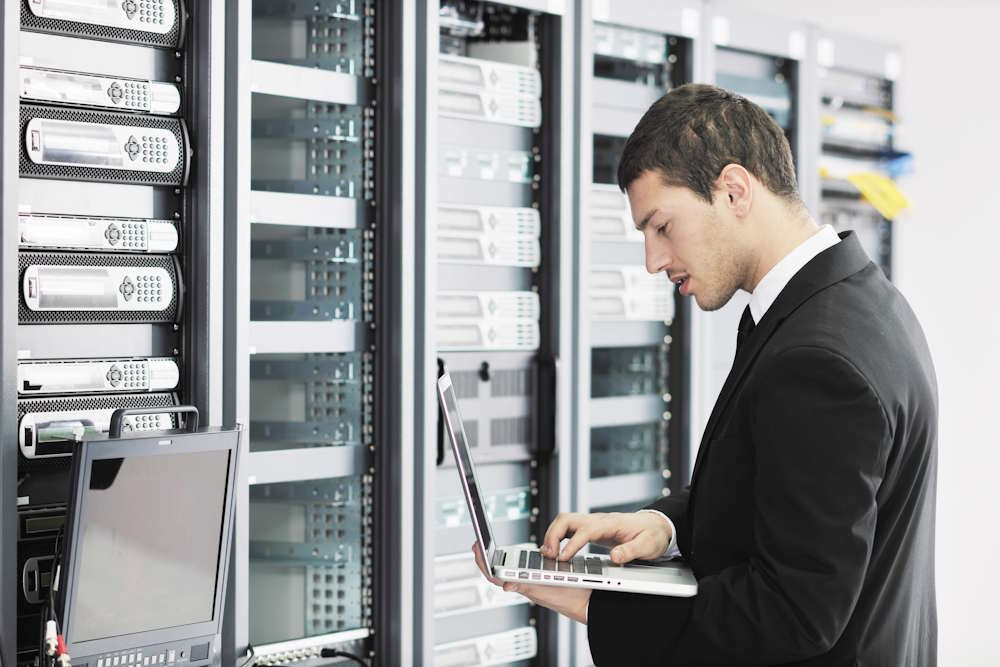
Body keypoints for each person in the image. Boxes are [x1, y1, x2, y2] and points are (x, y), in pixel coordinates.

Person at [473, 83, 938, 665]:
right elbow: (786, 496)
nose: (652, 260)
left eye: (661, 226)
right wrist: (662, 526)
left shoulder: (816, 361)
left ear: (734, 190)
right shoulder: (859, 303)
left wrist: (599, 604)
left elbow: (794, 610)